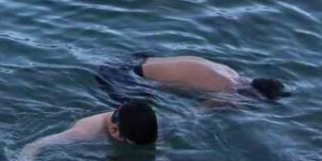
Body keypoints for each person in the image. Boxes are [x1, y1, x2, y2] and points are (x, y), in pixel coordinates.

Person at [11, 99, 158, 161]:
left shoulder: (146, 123)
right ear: (114, 130)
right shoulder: (84, 132)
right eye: (127, 142)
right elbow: (33, 146)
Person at [100, 54, 289, 101]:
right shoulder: (228, 91)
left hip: (137, 59)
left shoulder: (230, 71)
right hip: (127, 78)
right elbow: (199, 114)